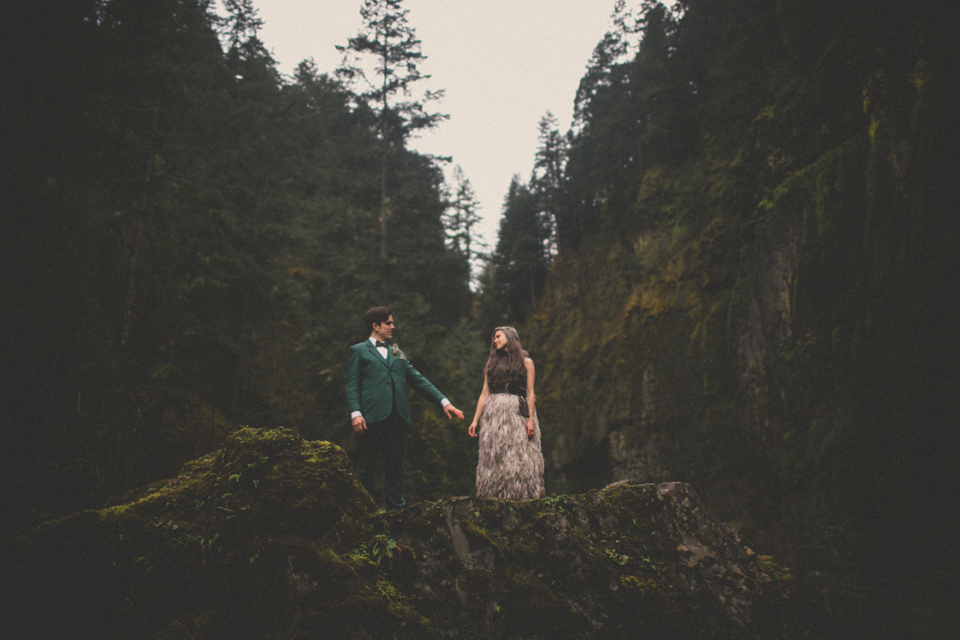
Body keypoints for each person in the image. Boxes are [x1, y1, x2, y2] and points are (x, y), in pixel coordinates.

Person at [346, 306, 464, 510]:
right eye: (389, 323)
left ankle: (396, 513)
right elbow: (352, 385)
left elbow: (418, 381)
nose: (393, 326)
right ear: (375, 326)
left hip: (397, 417)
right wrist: (356, 413)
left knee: (394, 466)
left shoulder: (398, 353)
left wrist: (444, 402)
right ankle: (365, 511)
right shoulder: (359, 351)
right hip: (370, 417)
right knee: (366, 466)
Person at [468, 327, 545, 499]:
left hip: (518, 412)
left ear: (510, 337)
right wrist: (475, 420)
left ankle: (523, 494)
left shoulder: (527, 362)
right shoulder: (491, 365)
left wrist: (531, 419)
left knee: (520, 451)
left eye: (498, 337)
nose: (495, 340)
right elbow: (484, 394)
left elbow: (530, 392)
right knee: (494, 453)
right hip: (494, 415)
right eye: (493, 338)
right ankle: (493, 494)